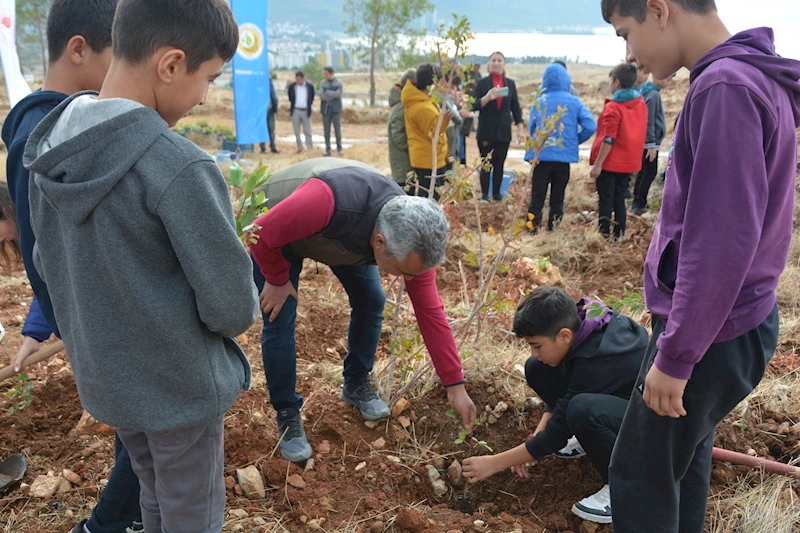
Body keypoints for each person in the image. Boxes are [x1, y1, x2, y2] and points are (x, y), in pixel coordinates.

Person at [24, 1, 260, 532]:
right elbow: (230, 304)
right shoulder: (177, 166)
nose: (205, 96)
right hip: (178, 385)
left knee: (153, 494)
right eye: (209, 78)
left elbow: (47, 265)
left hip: (110, 381)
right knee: (190, 513)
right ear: (171, 64)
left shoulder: (52, 148)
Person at [601, 0, 800, 531]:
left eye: (626, 33)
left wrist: (678, 354)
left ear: (658, 10)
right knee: (679, 466)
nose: (630, 54)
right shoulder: (747, 76)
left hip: (713, 330)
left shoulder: (725, 89)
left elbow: (720, 241)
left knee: (639, 473)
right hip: (728, 321)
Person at [1, 2, 144, 533]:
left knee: (138, 436)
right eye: (118, 57)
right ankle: (106, 526)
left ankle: (127, 521)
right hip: (107, 321)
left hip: (95, 318)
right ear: (79, 49)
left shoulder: (48, 125)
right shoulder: (54, 131)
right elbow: (54, 251)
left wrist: (43, 324)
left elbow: (56, 245)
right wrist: (70, 320)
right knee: (144, 434)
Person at [250, 158, 477, 462]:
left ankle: (356, 383)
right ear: (380, 243)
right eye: (404, 272)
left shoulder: (411, 244)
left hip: (335, 234)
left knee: (372, 300)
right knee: (280, 315)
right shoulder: (325, 201)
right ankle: (287, 413)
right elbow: (263, 231)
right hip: (276, 227)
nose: (411, 280)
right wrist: (277, 279)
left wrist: (455, 384)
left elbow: (431, 313)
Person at [462, 287, 648, 524]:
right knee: (536, 368)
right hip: (613, 398)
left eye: (537, 345)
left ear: (564, 336)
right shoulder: (582, 321)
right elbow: (563, 399)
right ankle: (588, 435)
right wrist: (536, 437)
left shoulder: (598, 359)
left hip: (650, 421)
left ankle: (624, 488)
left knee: (581, 410)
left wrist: (494, 463)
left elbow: (556, 434)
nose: (534, 352)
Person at [524, 63, 596, 233]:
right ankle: (553, 231)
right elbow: (590, 126)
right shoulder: (574, 101)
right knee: (558, 198)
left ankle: (531, 230)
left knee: (537, 197)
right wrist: (573, 141)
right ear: (567, 80)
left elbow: (532, 128)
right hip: (563, 161)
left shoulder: (540, 101)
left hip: (541, 158)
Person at [589, 63, 647, 240]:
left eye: (611, 81)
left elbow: (609, 138)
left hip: (610, 162)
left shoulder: (613, 107)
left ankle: (604, 235)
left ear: (616, 82)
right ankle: (619, 235)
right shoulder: (640, 104)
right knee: (620, 199)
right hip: (629, 162)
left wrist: (598, 164)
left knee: (606, 200)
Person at [471, 51, 525, 202]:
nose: (496, 63)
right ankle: (484, 195)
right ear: (489, 64)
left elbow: (515, 107)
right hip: (486, 131)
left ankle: (496, 194)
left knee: (499, 163)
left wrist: (520, 127)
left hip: (503, 131)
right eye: (493, 60)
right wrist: (487, 98)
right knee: (486, 163)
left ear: (504, 63)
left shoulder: (510, 84)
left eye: (499, 60)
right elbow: (473, 105)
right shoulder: (482, 83)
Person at [402, 63, 454, 200]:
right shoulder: (422, 107)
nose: (442, 86)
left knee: (432, 194)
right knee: (431, 196)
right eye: (440, 82)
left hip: (432, 158)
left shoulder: (425, 101)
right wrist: (444, 120)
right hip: (429, 161)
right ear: (432, 84)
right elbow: (433, 133)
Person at [630, 74, 668, 215]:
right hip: (650, 144)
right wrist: (651, 144)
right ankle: (639, 203)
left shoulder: (650, 92)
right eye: (667, 78)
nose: (668, 82)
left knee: (645, 171)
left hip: (648, 142)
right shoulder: (653, 95)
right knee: (649, 172)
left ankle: (638, 201)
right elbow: (649, 120)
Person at [388, 69, 415, 185]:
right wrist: (414, 144)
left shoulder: (402, 105)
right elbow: (398, 136)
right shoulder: (400, 108)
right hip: (403, 166)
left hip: (404, 164)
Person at [288, 70, 315, 152]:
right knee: (296, 130)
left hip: (306, 110)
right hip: (296, 110)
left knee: (307, 130)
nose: (297, 81)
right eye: (296, 79)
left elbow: (312, 97)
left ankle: (309, 147)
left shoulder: (309, 86)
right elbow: (290, 97)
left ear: (303, 78)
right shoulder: (292, 86)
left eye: (298, 79)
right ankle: (299, 146)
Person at [320, 66, 343, 156]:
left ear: (331, 73)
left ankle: (339, 148)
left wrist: (328, 92)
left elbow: (339, 94)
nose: (325, 75)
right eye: (324, 74)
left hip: (336, 109)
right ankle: (328, 149)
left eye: (326, 73)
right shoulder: (322, 83)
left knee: (337, 129)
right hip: (326, 110)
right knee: (326, 130)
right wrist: (333, 93)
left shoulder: (338, 82)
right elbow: (322, 95)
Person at [259, 76, 279, 154]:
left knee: (271, 129)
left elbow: (273, 94)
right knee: (262, 128)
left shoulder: (268, 79)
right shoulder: (258, 83)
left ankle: (272, 146)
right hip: (261, 110)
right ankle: (263, 147)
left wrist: (275, 107)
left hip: (269, 109)